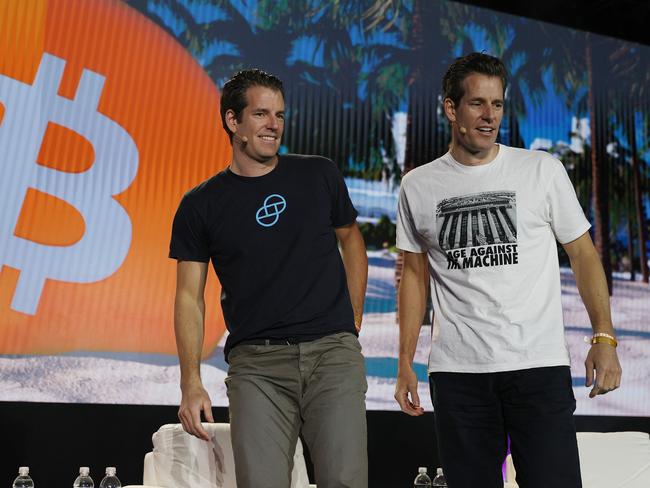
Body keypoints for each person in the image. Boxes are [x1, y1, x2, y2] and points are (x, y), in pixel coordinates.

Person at [394, 52, 622, 488]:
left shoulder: (540, 171)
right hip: (458, 375)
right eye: (477, 103)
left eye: (497, 104)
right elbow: (415, 277)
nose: (489, 115)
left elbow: (584, 255)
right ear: (450, 108)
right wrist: (405, 361)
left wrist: (605, 336)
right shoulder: (418, 185)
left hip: (538, 367)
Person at [169, 69, 368, 488]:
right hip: (257, 368)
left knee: (345, 482)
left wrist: (352, 319)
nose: (273, 124)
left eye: (279, 114)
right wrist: (190, 382)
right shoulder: (200, 205)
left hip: (331, 358)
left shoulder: (318, 174)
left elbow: (352, 241)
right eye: (260, 114)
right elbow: (189, 297)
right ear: (232, 121)